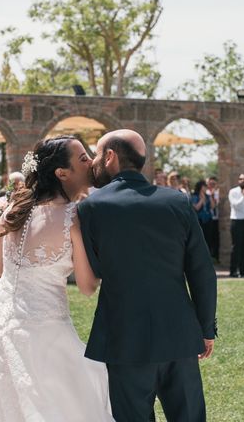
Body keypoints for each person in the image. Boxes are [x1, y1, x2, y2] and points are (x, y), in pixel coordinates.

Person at [0, 136, 113, 421]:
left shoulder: (12, 210)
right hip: (45, 328)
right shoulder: (73, 217)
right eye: (83, 157)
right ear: (61, 173)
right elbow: (87, 286)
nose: (91, 161)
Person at [78, 129, 216, 422]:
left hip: (124, 337)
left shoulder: (90, 207)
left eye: (97, 155)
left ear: (111, 157)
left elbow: (96, 268)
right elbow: (202, 269)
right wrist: (205, 329)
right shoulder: (178, 202)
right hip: (179, 335)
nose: (93, 163)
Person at [191, 180, 215, 251]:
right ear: (201, 187)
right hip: (200, 220)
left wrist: (210, 197)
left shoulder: (208, 196)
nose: (206, 188)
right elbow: (196, 208)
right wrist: (202, 200)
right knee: (200, 239)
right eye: (205, 186)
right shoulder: (195, 196)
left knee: (209, 238)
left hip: (208, 220)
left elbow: (213, 206)